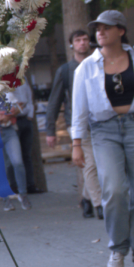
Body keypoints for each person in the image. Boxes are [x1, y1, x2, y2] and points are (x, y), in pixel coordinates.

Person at [71, 10, 134, 267]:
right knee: (113, 191)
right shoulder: (86, 67)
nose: (100, 32)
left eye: (107, 28)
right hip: (104, 131)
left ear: (121, 31)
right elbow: (79, 108)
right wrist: (76, 143)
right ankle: (118, 248)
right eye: (97, 29)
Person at [47, 30, 103, 219]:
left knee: (97, 163)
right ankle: (99, 205)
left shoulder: (98, 64)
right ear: (72, 44)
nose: (82, 43)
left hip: (99, 120)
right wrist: (50, 130)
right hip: (76, 123)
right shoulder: (64, 70)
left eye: (85, 39)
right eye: (78, 40)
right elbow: (55, 101)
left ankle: (86, 198)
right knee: (90, 164)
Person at [0, 86, 33, 210]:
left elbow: (20, 105)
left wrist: (9, 114)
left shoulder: (5, 91)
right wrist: (1, 117)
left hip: (9, 129)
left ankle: (23, 195)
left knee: (17, 162)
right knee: (1, 167)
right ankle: (5, 199)